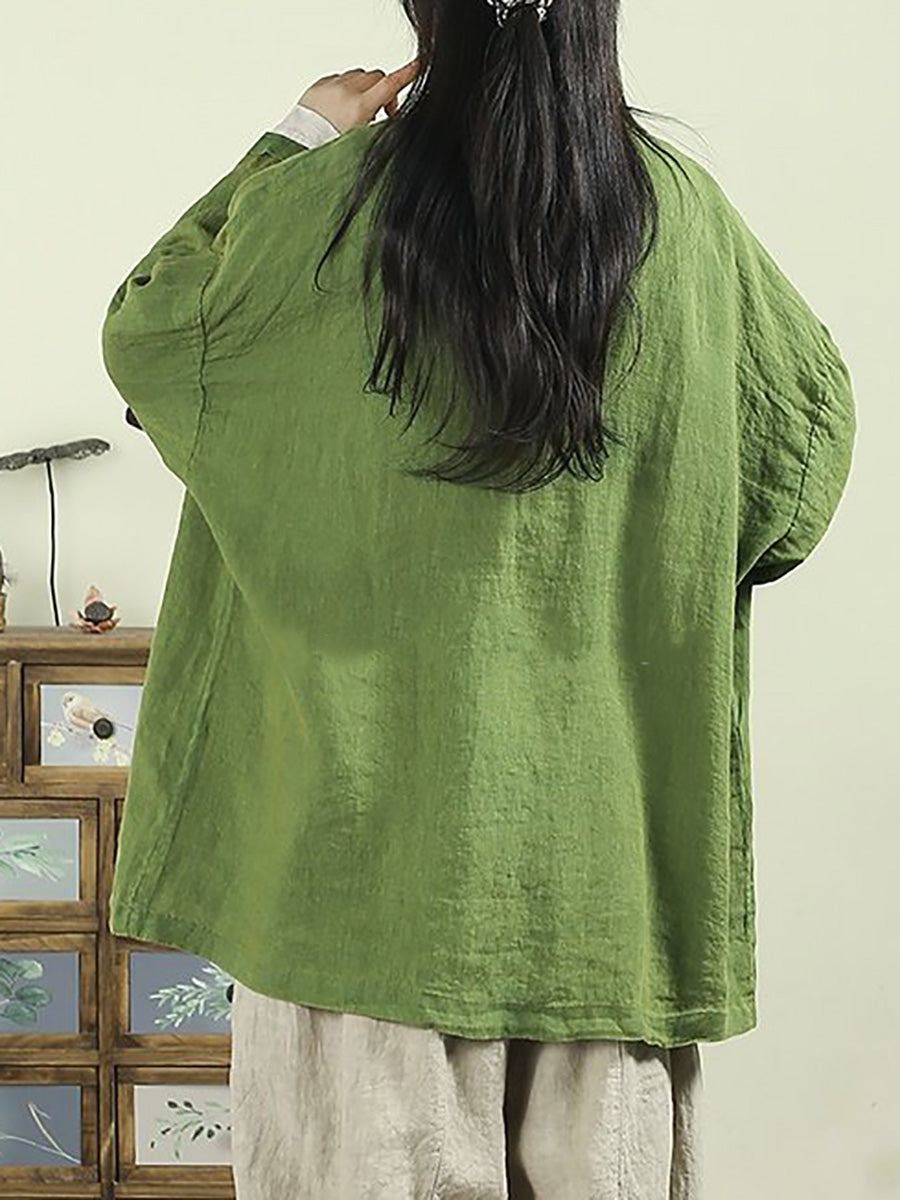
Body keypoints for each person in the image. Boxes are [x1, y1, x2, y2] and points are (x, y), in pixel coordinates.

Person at [101, 0, 857, 1196]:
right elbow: (798, 482)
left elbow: (151, 333)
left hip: (349, 895)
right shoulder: (691, 230)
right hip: (600, 899)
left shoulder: (315, 212)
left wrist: (297, 137)